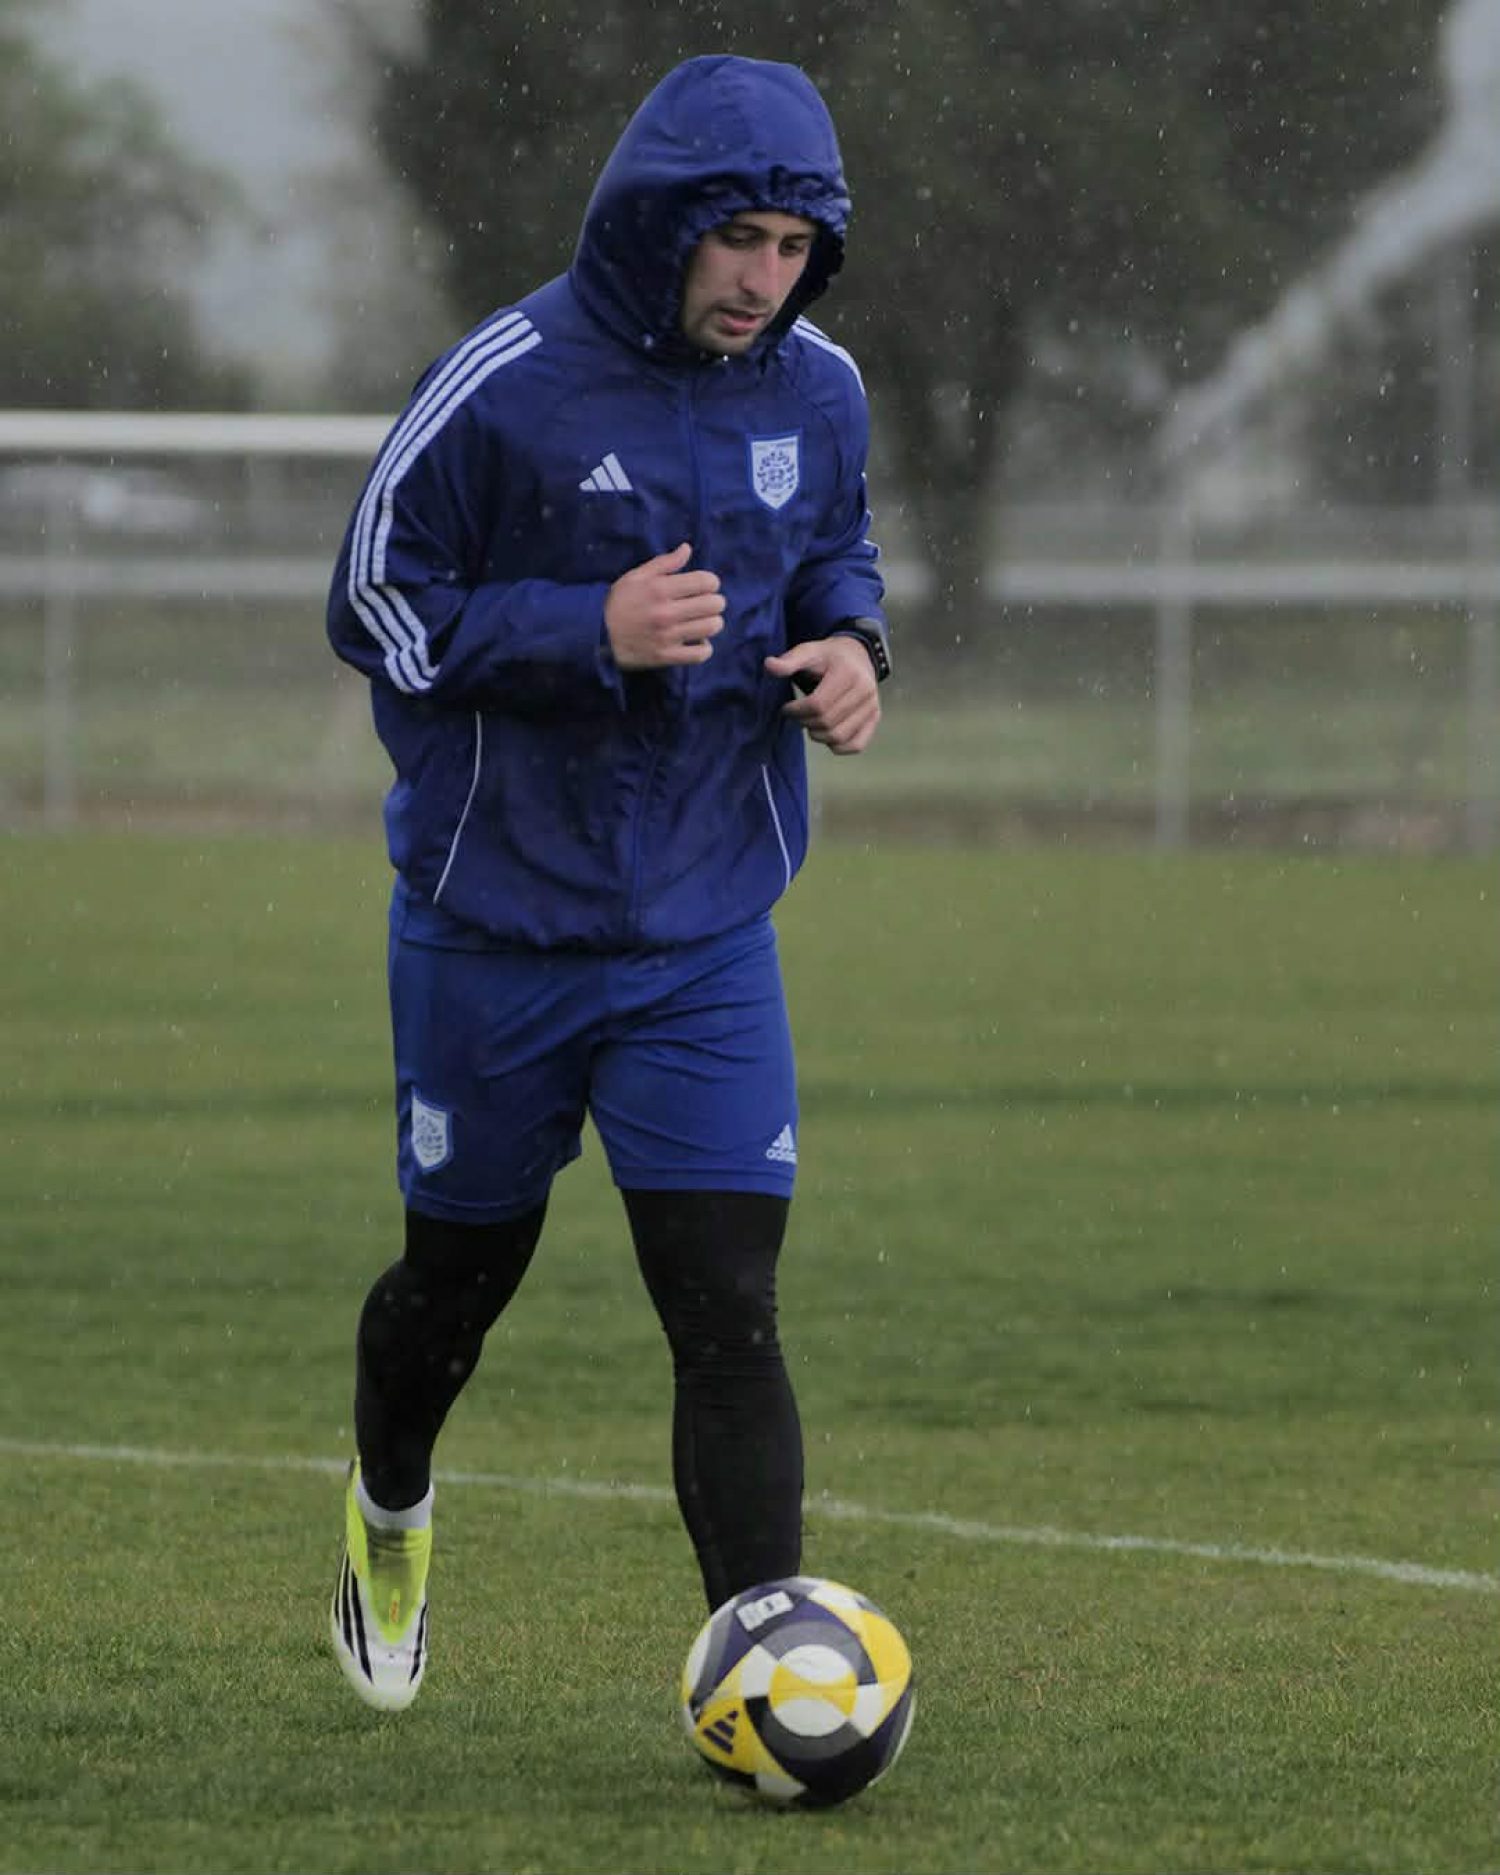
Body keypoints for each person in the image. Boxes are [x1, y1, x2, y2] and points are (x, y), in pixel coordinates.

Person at [324, 52, 890, 1712]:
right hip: (493, 929)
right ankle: (390, 1508)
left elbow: (836, 550)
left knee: (727, 1306)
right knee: (454, 1290)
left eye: (794, 247)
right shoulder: (503, 382)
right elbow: (373, 603)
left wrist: (855, 645)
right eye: (739, 240)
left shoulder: (821, 390)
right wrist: (589, 629)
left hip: (705, 931)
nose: (764, 279)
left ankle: (772, 1669)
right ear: (661, 223)